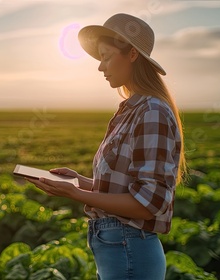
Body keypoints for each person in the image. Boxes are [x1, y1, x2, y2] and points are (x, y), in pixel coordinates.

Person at [26, 13, 186, 279]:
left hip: (129, 249)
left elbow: (149, 203)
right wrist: (79, 181)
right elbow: (124, 189)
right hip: (117, 250)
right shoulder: (131, 110)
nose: (101, 67)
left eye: (106, 56)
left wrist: (74, 194)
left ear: (132, 54)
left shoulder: (152, 111)